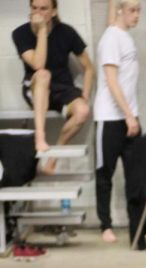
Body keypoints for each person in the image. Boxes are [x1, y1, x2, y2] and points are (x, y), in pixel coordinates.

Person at [12, 0, 95, 174]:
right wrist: (42, 31)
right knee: (44, 74)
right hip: (36, 86)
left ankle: (52, 159)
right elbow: (38, 64)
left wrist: (85, 95)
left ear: (54, 12)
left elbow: (89, 68)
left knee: (83, 111)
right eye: (35, 8)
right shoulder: (20, 33)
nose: (38, 13)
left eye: (44, 9)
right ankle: (40, 137)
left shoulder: (66, 32)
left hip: (62, 88)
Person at [94, 1, 145, 245]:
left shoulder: (124, 36)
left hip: (130, 116)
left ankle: (138, 227)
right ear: (120, 11)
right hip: (111, 118)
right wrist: (128, 115)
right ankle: (105, 225)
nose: (137, 15)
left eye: (139, 9)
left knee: (136, 174)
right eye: (132, 10)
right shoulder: (111, 38)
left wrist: (132, 116)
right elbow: (112, 82)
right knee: (106, 173)